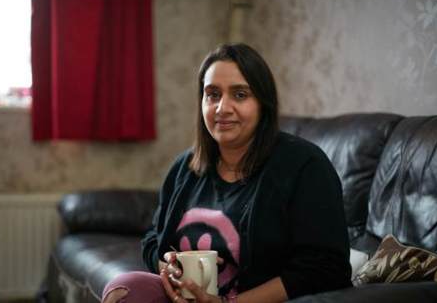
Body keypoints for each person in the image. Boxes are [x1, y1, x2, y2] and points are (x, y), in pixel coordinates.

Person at [102, 43, 352, 303]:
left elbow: (326, 268)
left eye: (240, 95)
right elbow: (153, 237)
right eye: (212, 94)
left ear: (263, 103)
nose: (222, 108)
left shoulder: (305, 165)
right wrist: (167, 266)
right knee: (124, 287)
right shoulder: (184, 168)